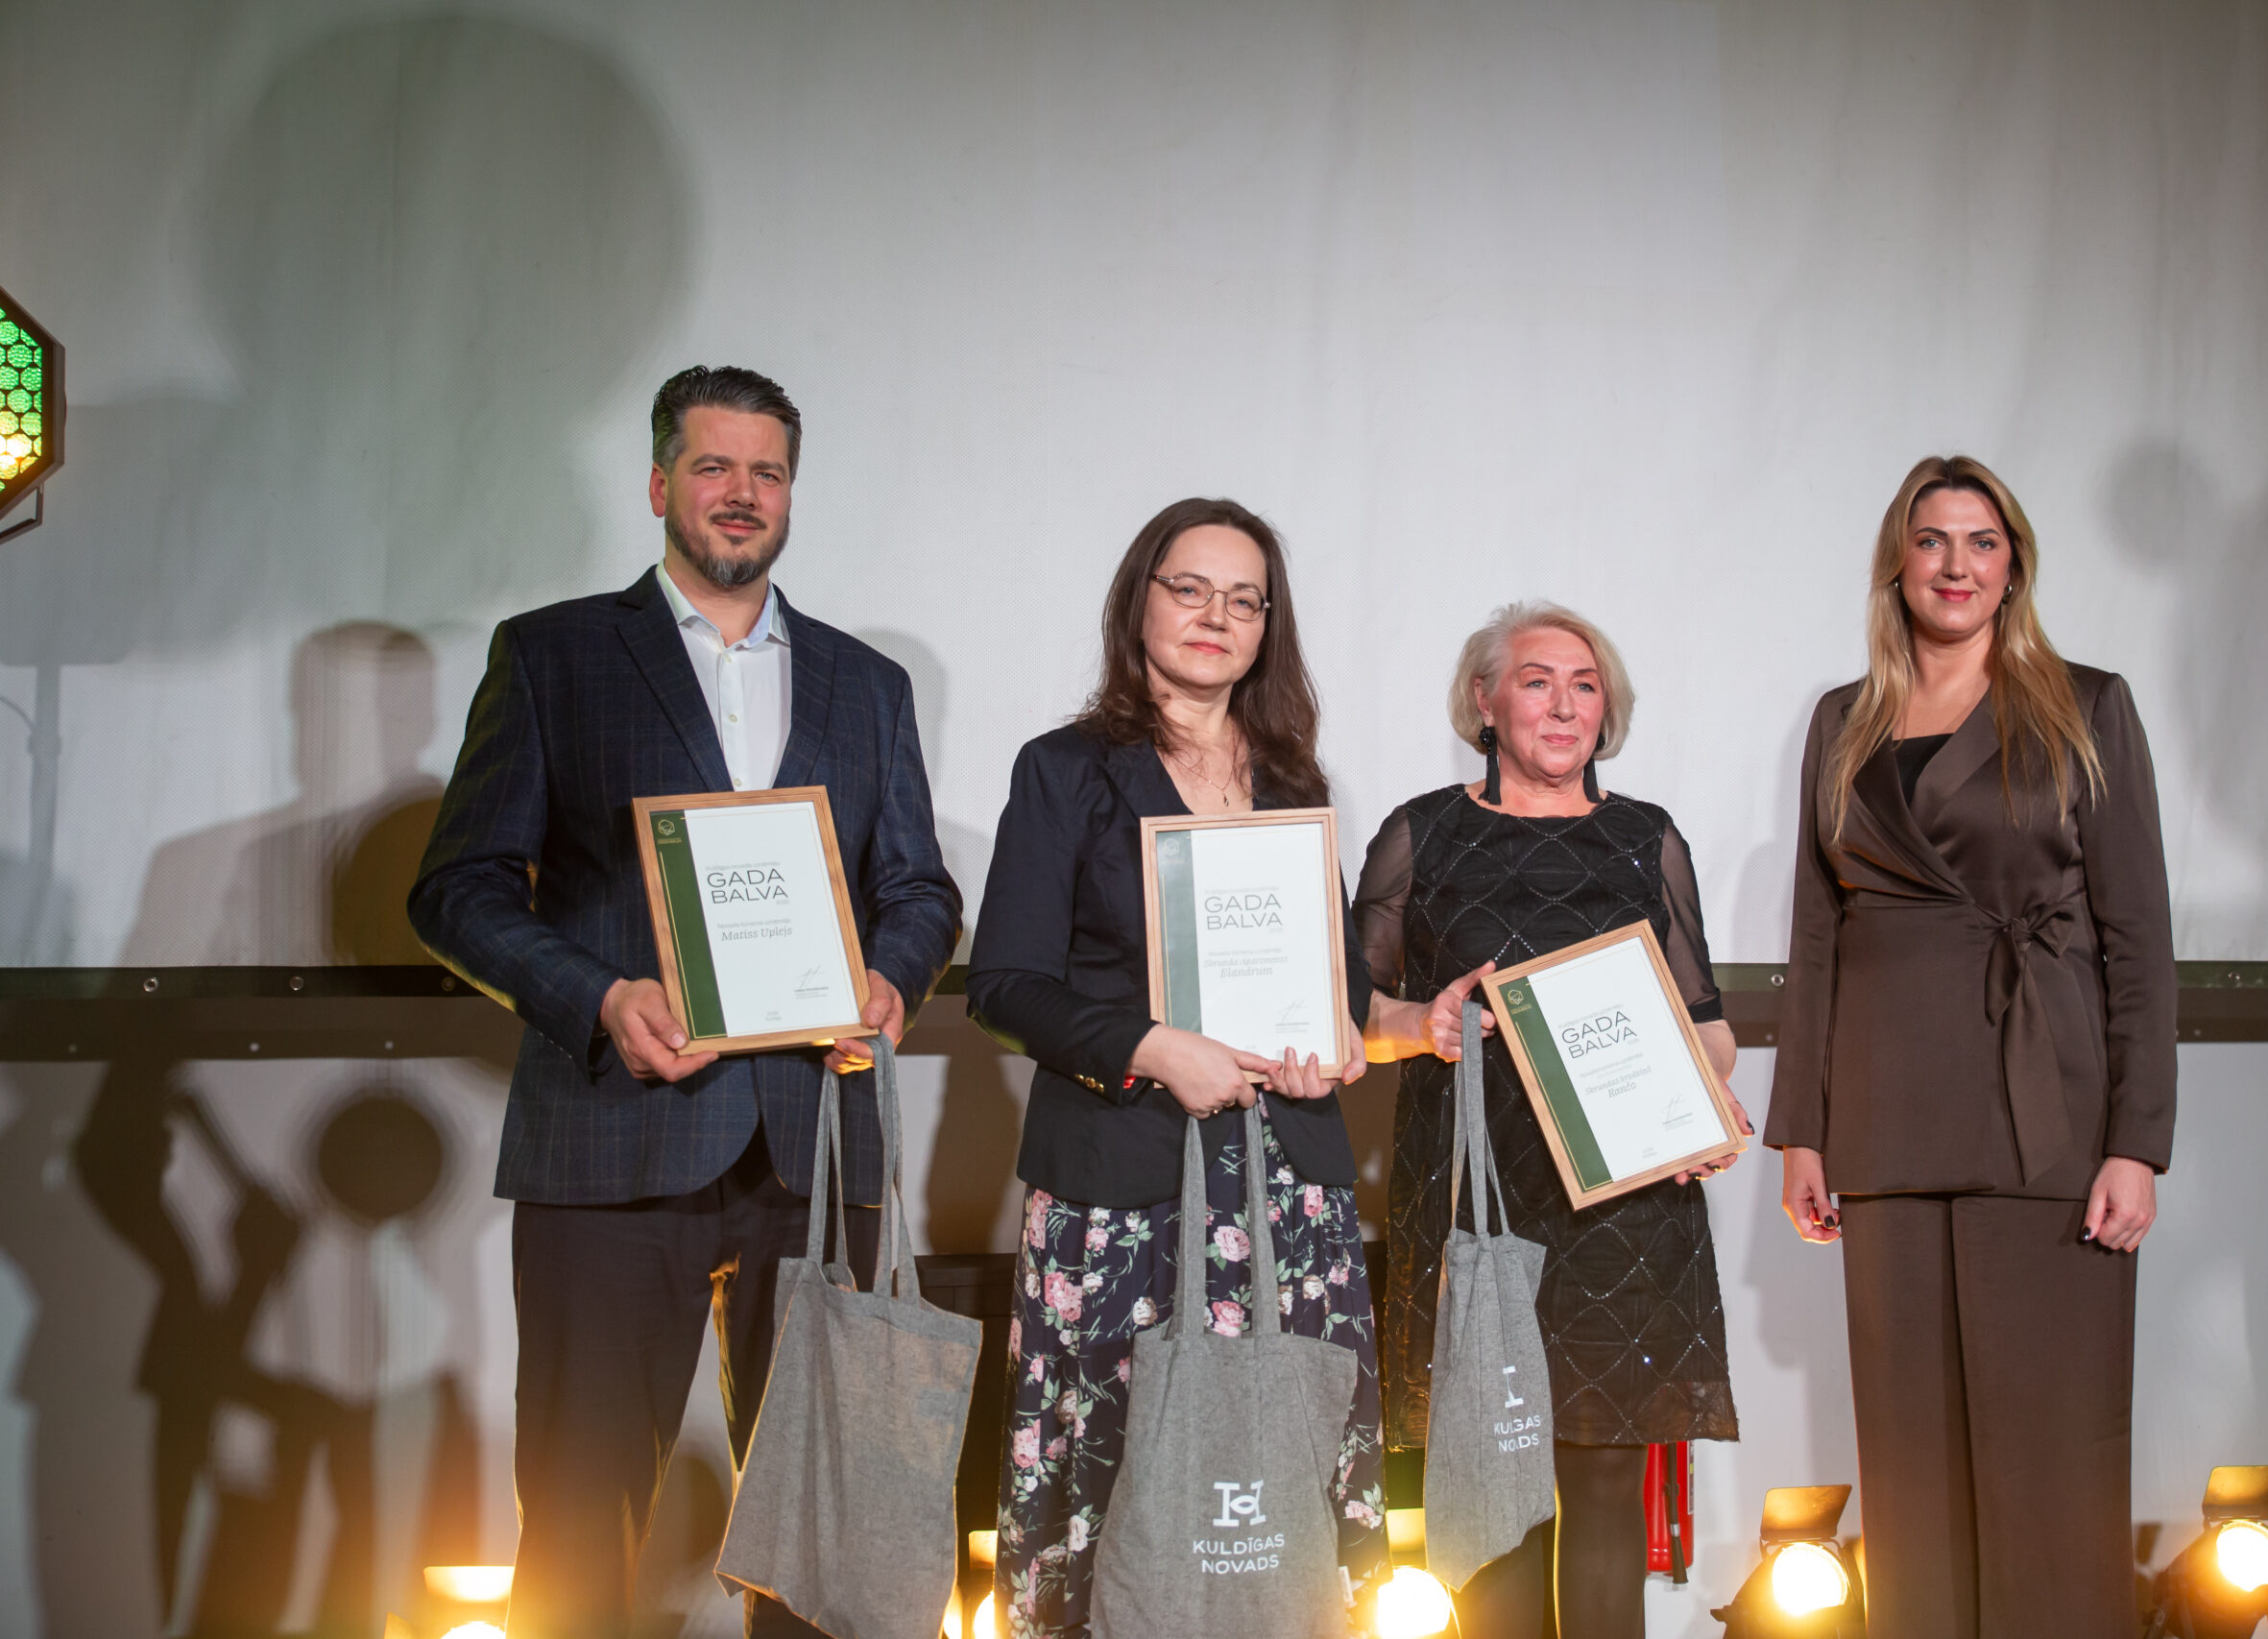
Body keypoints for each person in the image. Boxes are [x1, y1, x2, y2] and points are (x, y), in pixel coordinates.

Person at [408, 366, 962, 1639]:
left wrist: (894, 976)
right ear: (660, 483)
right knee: (581, 1519)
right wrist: (601, 995)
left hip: (816, 1148)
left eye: (768, 472)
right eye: (715, 466)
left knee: (826, 1527)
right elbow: (457, 888)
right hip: (614, 1135)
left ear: (791, 496)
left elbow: (918, 888)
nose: (741, 493)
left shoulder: (865, 684)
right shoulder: (552, 655)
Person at [1765, 454, 2175, 1639]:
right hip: (1885, 1120)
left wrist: (2136, 1141)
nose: (1956, 565)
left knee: (2052, 1460)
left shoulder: (2085, 704)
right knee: (1910, 1476)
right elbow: (1815, 933)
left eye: (1981, 542)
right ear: (1898, 562)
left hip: (2042, 1114)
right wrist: (1802, 1132)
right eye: (1932, 539)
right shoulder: (1842, 720)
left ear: (2012, 566)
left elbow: (2138, 938)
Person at [967, 496, 1388, 1637]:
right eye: (1190, 588)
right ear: (1139, 601)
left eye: (1244, 599)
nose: (1216, 615)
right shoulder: (1065, 770)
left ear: (1267, 627)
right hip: (1123, 1194)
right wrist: (1152, 1049)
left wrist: (1339, 1035)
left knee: (1273, 1508)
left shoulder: (1293, 779)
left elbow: (1338, 976)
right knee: (1120, 1499)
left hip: (1286, 1192)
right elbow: (1002, 984)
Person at [1356, 602, 1749, 1639]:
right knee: (1493, 1477)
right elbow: (1353, 1018)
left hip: (1625, 1206)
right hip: (1475, 1192)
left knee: (1608, 1481)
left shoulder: (1644, 838)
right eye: (1537, 681)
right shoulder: (1421, 834)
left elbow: (1705, 1023)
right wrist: (1423, 1022)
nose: (1565, 704)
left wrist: (1705, 1096)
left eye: (1585, 684)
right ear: (1484, 702)